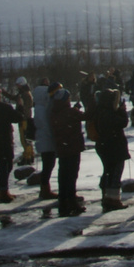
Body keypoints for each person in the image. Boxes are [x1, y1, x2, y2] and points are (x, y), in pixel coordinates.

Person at [51, 86, 87, 215]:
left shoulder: (54, 112)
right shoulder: (70, 112)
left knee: (63, 176)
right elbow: (85, 116)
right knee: (71, 176)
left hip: (62, 147)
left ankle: (63, 202)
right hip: (72, 147)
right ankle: (71, 202)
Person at [94, 86, 131, 212]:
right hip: (114, 146)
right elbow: (123, 122)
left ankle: (106, 197)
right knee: (115, 173)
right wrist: (122, 111)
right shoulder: (109, 113)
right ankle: (113, 199)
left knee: (108, 172)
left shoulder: (99, 111)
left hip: (104, 146)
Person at [32, 79, 58, 199]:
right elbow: (46, 124)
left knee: (47, 163)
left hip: (42, 138)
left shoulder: (38, 107)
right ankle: (45, 189)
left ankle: (45, 188)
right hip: (47, 138)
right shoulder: (44, 108)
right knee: (49, 164)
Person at [15, 77, 36, 166]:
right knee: (28, 139)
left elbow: (26, 106)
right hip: (27, 118)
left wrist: (21, 111)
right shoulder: (26, 93)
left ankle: (27, 157)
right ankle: (30, 155)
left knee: (24, 139)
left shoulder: (25, 95)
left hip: (24, 119)